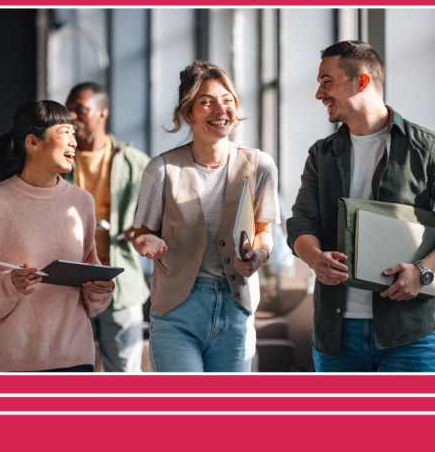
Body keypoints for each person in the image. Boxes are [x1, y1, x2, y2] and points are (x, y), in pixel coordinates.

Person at [287, 40, 435, 372]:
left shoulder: (426, 150)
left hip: (411, 332)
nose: (319, 94)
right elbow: (302, 221)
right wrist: (314, 257)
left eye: (327, 81)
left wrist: (424, 272)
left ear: (361, 82)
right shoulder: (321, 154)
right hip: (337, 336)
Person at [132, 61, 280, 372]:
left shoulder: (260, 166)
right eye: (206, 102)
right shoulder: (161, 169)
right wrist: (148, 241)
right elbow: (142, 233)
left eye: (227, 100)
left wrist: (260, 255)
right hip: (177, 309)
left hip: (236, 306)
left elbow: (264, 232)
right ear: (188, 112)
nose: (220, 109)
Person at [0, 99, 116, 372]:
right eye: (64, 132)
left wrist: (98, 290)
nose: (74, 142)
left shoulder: (82, 202)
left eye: (73, 133)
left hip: (74, 357)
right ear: (33, 142)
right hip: (10, 361)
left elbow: (89, 277)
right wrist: (9, 283)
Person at [64, 82, 151, 373]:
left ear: (102, 113)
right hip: (70, 286)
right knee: (71, 372)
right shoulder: (58, 160)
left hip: (120, 284)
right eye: (68, 109)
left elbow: (160, 218)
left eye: (80, 109)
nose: (71, 116)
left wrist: (143, 228)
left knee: (124, 376)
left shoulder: (136, 163)